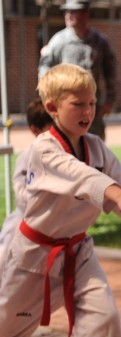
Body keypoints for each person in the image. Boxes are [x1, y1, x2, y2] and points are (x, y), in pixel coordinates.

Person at [0, 63, 121, 337]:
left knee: (104, 318)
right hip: (33, 258)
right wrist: (113, 194)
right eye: (77, 104)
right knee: (4, 328)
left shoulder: (95, 146)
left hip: (78, 251)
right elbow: (81, 177)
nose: (88, 111)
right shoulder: (43, 151)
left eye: (92, 103)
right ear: (52, 108)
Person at [39, 0, 117, 140]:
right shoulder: (58, 41)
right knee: (69, 149)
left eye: (74, 11)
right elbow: (45, 71)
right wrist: (49, 99)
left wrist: (110, 101)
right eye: (67, 11)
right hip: (68, 110)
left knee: (96, 152)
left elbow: (111, 72)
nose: (68, 15)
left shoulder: (100, 41)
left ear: (86, 14)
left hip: (93, 109)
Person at [0, 99, 53, 273]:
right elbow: (22, 194)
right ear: (35, 130)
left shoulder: (62, 154)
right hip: (22, 226)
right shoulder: (27, 157)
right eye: (50, 128)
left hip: (48, 228)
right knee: (6, 269)